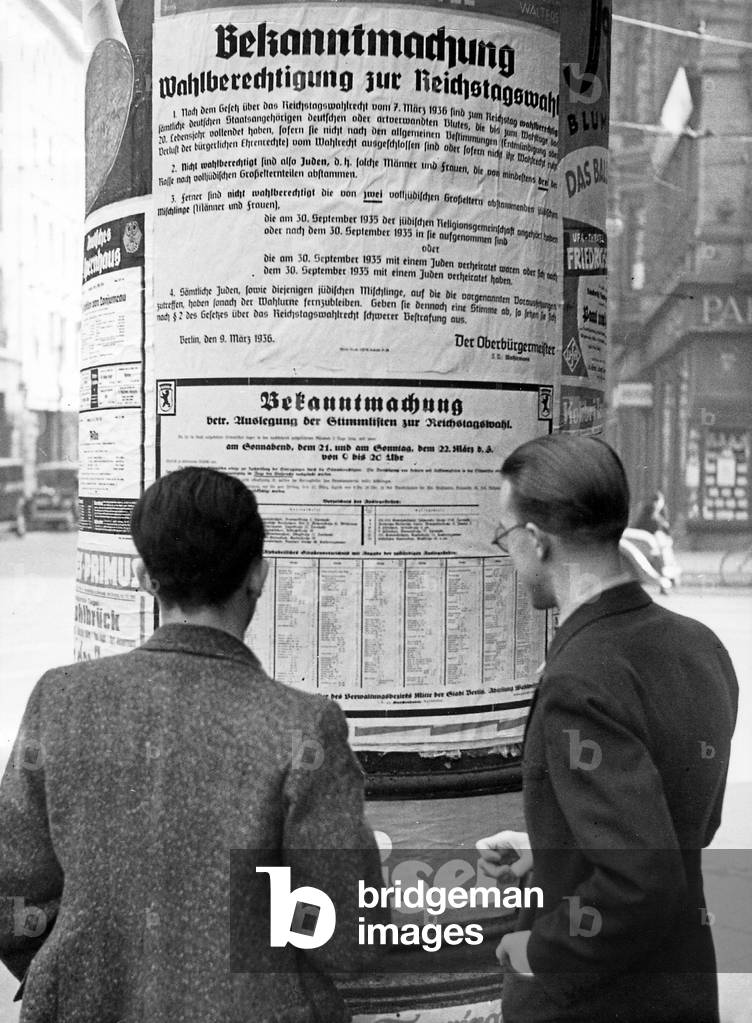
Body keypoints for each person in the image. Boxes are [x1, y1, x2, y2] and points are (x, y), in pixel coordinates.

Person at [0, 466, 384, 1022]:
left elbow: (12, 896)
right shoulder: (304, 726)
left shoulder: (60, 698)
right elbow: (345, 936)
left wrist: (79, 966)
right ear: (258, 575)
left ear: (144, 577)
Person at [478, 435, 738, 1023]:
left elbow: (638, 882)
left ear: (536, 540)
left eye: (505, 536)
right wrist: (554, 849)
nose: (509, 554)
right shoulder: (701, 647)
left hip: (600, 1001)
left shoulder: (578, 680)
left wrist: (537, 949)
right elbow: (683, 821)